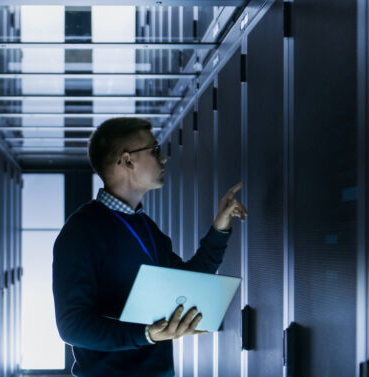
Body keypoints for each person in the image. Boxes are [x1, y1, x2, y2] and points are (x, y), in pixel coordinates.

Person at [52, 117, 248, 376]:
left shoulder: (147, 227)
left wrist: (220, 229)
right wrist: (145, 334)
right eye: (155, 151)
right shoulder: (81, 231)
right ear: (127, 160)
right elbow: (72, 327)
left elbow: (189, 284)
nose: (164, 158)